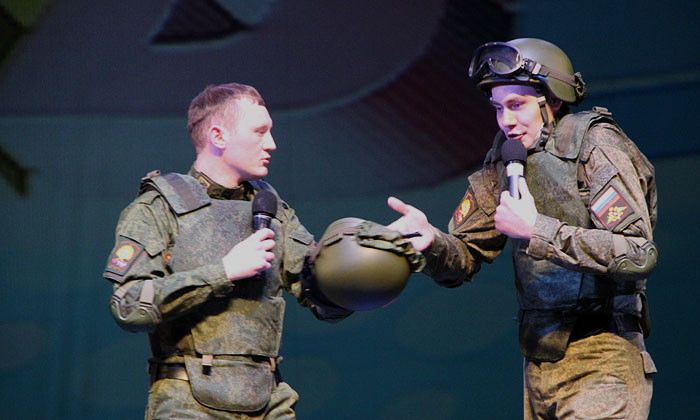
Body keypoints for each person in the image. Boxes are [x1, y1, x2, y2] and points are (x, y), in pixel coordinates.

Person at [387, 38, 658, 419]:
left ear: (553, 100)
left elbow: (637, 252)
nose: (506, 121)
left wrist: (536, 230)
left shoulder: (594, 145)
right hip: (539, 364)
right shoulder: (506, 159)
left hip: (604, 355)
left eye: (517, 105)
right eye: (498, 108)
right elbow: (464, 255)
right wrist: (431, 242)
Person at [103, 82, 355, 419]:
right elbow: (129, 305)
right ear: (218, 136)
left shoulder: (274, 212)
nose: (272, 144)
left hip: (269, 402)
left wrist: (381, 251)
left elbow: (325, 297)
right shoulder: (158, 208)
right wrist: (223, 272)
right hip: (187, 405)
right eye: (259, 131)